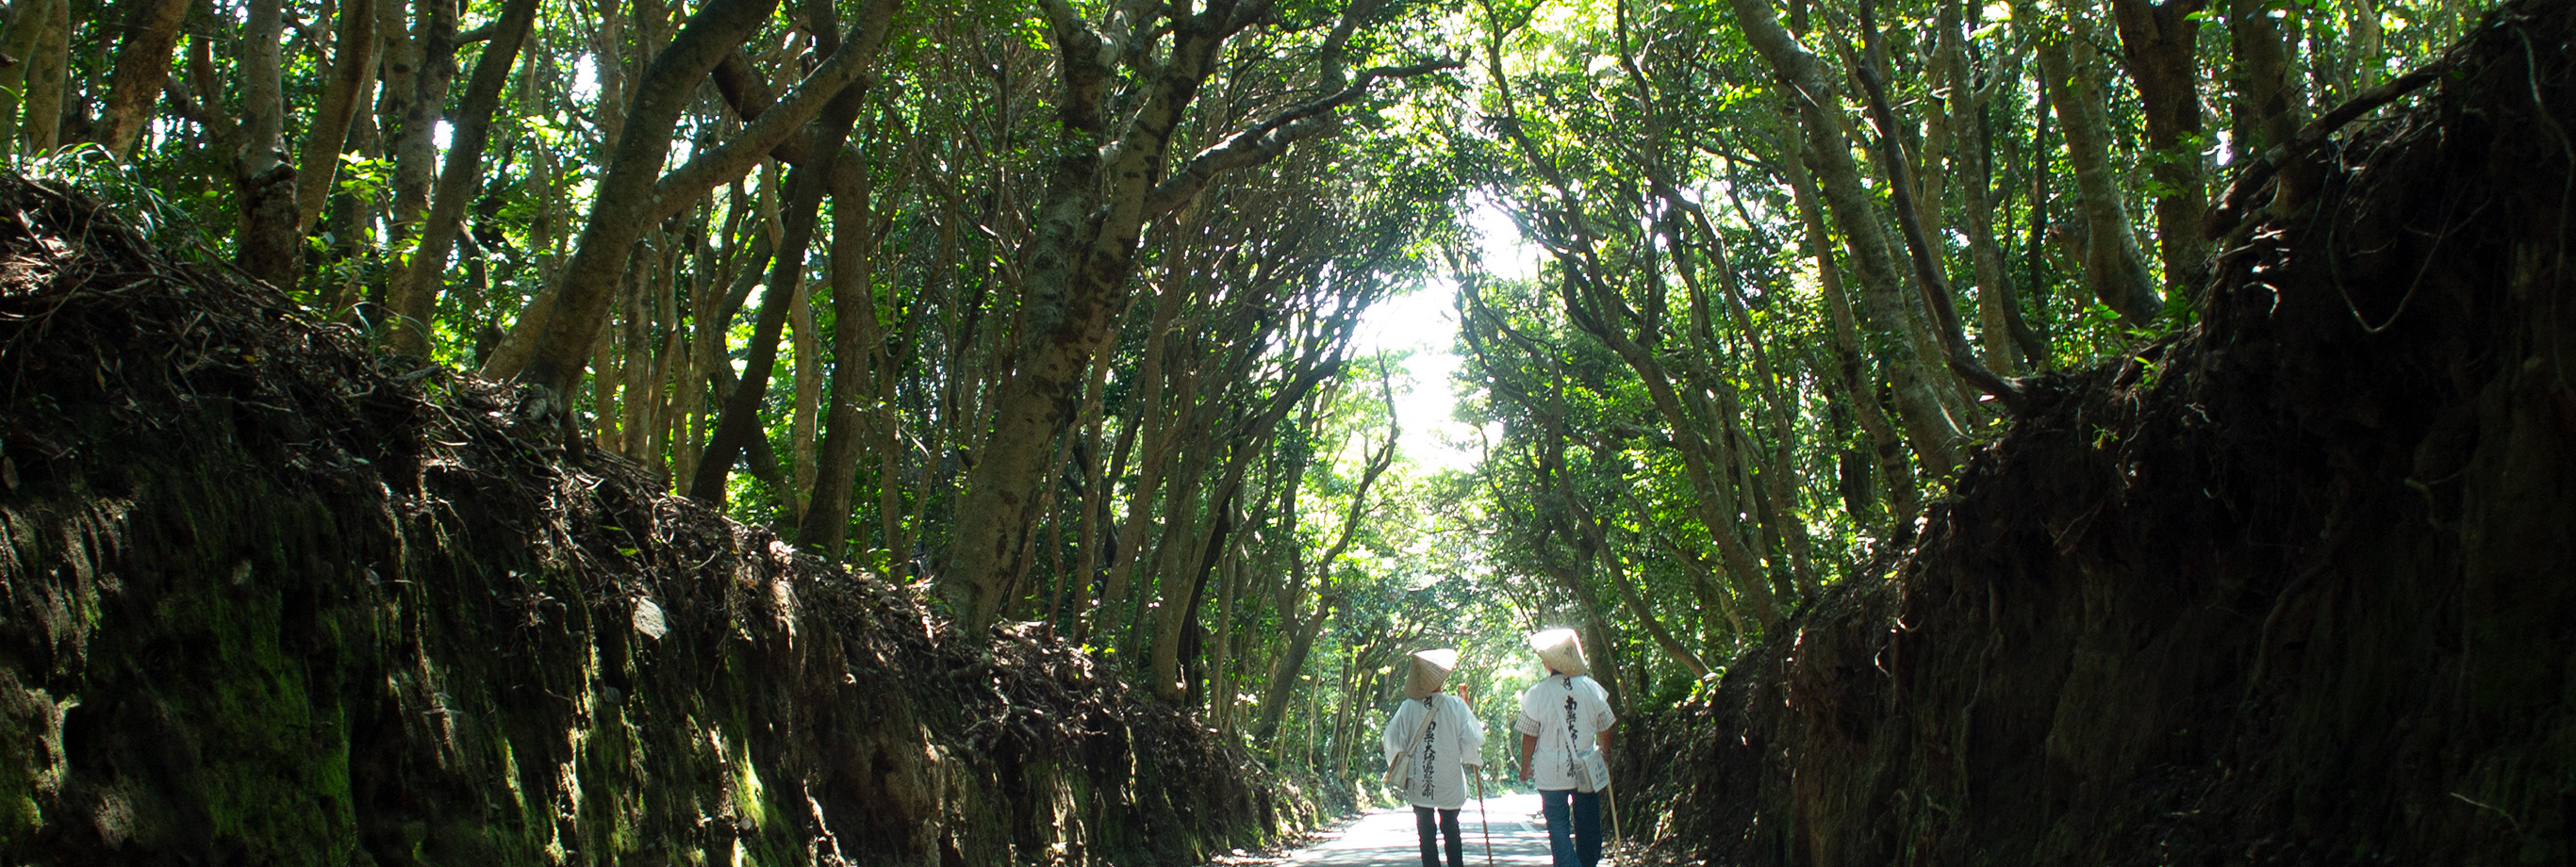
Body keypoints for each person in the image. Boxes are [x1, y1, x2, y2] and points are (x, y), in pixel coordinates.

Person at [1517, 629, 1615, 867]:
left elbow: (1529, 735)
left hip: (1550, 773)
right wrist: (1605, 752)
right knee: (1589, 827)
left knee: (1558, 828)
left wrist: (1525, 766)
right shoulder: (1591, 688)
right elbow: (1607, 725)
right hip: (1586, 769)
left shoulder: (1538, 693)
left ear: (1549, 663)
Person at [1382, 648, 1485, 867]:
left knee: (1425, 831)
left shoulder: (1408, 707)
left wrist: (1398, 759)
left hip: (1420, 779)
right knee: (1450, 826)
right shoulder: (1456, 705)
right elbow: (1473, 738)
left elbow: (1391, 739)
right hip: (1449, 778)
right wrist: (1470, 754)